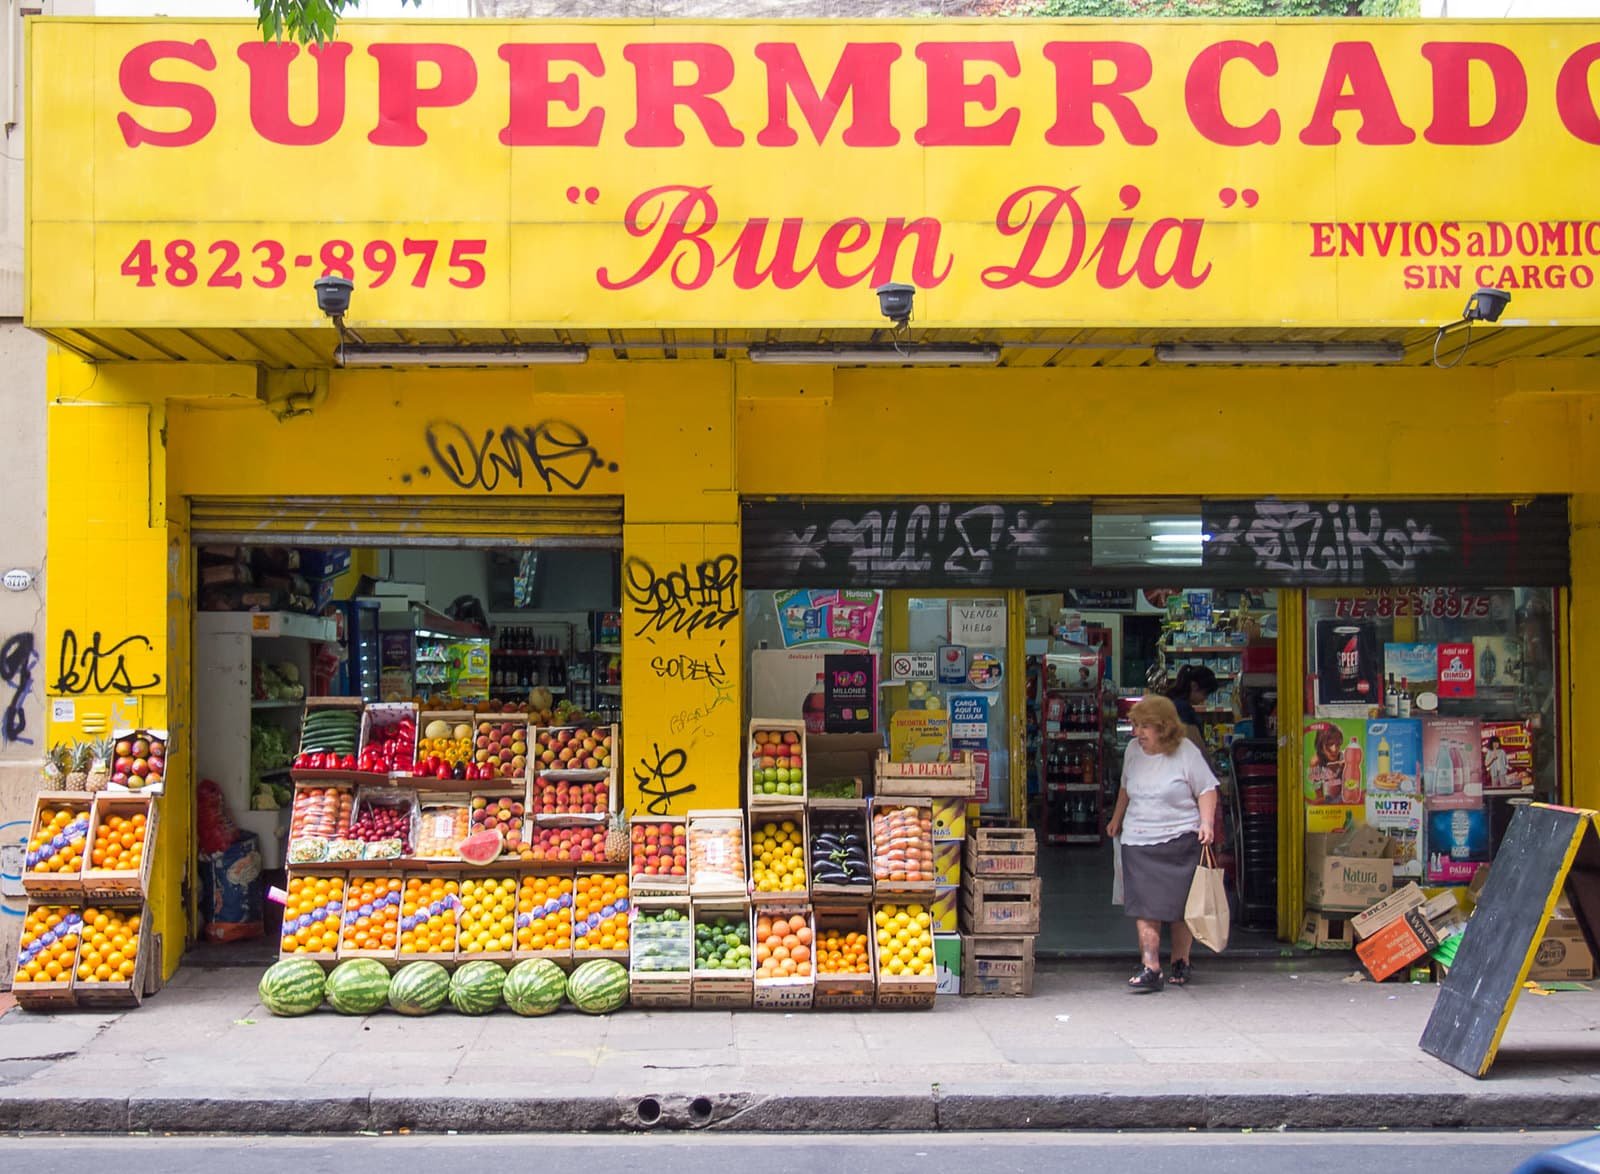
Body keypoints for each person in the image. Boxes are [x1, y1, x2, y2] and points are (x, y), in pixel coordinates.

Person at [1105, 694, 1220, 993]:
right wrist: (1117, 818)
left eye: (1146, 727)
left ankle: (1181, 960)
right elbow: (1125, 788)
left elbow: (1207, 789)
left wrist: (1206, 823)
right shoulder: (1132, 751)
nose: (1137, 733)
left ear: (1165, 728)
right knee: (1145, 907)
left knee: (1180, 908)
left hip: (1180, 839)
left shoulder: (1185, 753)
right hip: (1138, 841)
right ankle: (1151, 966)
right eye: (1136, 726)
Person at [1165, 664, 1218, 752]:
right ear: (1194, 686)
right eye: (1205, 694)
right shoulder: (1182, 708)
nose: (1205, 699)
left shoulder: (1173, 702)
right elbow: (1193, 741)